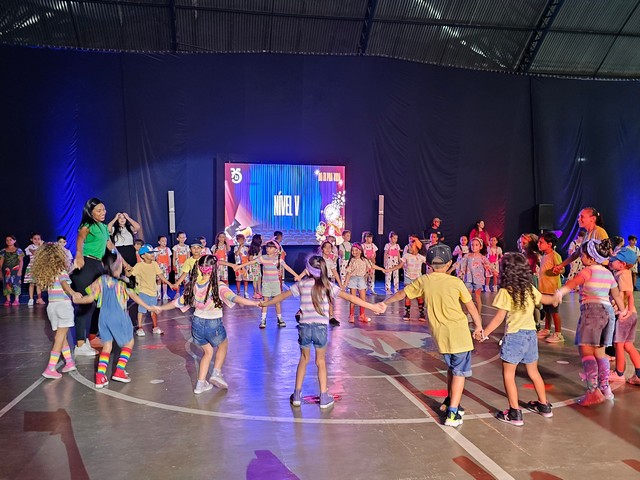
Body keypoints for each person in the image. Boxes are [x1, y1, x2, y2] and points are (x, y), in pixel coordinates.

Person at [261, 255, 386, 408]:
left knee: (304, 359)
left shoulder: (301, 284)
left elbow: (281, 296)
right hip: (320, 328)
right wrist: (373, 307)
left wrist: (265, 303)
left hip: (305, 327)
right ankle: (324, 396)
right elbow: (351, 298)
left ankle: (297, 395)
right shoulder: (328, 286)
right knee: (320, 362)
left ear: (308, 270)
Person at [385, 244, 483, 427]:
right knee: (460, 372)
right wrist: (478, 327)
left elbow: (402, 294)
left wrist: (385, 303)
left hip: (441, 336)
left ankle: (449, 401)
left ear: (428, 264)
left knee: (452, 369)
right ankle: (453, 413)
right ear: (449, 263)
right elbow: (471, 307)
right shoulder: (456, 282)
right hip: (459, 334)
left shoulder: (424, 280)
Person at [158, 255, 260, 393]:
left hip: (196, 324)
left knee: (208, 351)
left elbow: (177, 303)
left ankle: (200, 385)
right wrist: (254, 303)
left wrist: (160, 307)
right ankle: (216, 373)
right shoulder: (219, 285)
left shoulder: (193, 285)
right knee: (223, 345)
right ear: (215, 268)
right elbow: (234, 298)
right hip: (213, 323)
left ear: (200, 268)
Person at [475, 253, 556, 426]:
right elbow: (545, 299)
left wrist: (484, 333)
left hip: (514, 337)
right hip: (530, 335)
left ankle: (514, 413)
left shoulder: (506, 292)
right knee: (533, 372)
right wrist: (555, 298)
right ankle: (544, 405)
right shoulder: (529, 289)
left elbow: (499, 318)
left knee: (508, 375)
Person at [554, 239, 627, 405]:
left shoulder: (587, 271)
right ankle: (605, 388)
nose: (581, 257)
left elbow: (573, 283)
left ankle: (593, 391)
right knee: (600, 353)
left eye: (583, 255)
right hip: (608, 313)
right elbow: (616, 295)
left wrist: (560, 292)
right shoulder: (608, 273)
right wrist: (622, 311)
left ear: (591, 258)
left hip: (592, 312)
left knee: (586, 351)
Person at [73, 251, 159, 388]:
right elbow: (135, 296)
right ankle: (119, 370)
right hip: (119, 316)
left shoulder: (101, 280)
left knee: (107, 346)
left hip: (103, 317)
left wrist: (77, 300)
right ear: (118, 267)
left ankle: (100, 376)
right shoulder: (123, 282)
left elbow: (89, 298)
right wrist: (149, 306)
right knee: (129, 342)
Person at [70, 198, 117, 356]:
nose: (103, 213)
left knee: (100, 304)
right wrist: (79, 255)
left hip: (98, 266)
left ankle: (91, 337)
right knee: (86, 305)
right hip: (86, 264)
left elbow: (110, 246)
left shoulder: (103, 227)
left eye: (104, 209)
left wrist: (123, 263)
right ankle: (80, 345)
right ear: (90, 212)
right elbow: (80, 240)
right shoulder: (87, 225)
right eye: (99, 210)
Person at [31, 243, 81, 378]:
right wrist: (73, 293)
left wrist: (72, 269)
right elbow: (64, 283)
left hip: (52, 307)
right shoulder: (61, 270)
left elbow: (61, 278)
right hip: (63, 306)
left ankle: (69, 362)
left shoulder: (49, 273)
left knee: (61, 336)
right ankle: (50, 368)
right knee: (60, 337)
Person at [243, 239, 299, 328]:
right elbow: (252, 262)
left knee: (277, 302)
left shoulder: (278, 259)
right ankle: (263, 319)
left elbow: (287, 267)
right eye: (267, 247)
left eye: (270, 248)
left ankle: (280, 319)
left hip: (275, 284)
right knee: (265, 302)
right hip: (266, 284)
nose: (268, 249)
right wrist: (240, 266)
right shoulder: (263, 258)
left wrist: (297, 275)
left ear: (276, 249)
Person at [607, 247, 640, 385]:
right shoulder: (621, 273)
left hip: (624, 315)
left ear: (623, 264)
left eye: (614, 260)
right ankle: (639, 374)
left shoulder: (623, 275)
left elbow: (629, 295)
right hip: (629, 314)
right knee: (628, 345)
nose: (611, 262)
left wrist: (627, 312)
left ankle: (619, 373)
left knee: (618, 344)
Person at [132, 244, 174, 336]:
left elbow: (160, 275)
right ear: (143, 256)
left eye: (153, 252)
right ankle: (140, 328)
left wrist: (169, 283)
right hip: (143, 291)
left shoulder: (154, 264)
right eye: (150, 252)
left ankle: (155, 327)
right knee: (141, 311)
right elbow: (131, 274)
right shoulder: (139, 265)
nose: (152, 254)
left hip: (153, 292)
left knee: (154, 310)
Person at [553, 207, 608, 275]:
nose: (578, 219)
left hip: (598, 273)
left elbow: (606, 256)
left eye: (582, 217)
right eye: (579, 217)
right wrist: (560, 266)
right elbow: (576, 254)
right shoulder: (587, 234)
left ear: (593, 219)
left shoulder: (599, 232)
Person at [343, 243, 386, 323]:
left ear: (360, 251)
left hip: (361, 279)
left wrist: (382, 269)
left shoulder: (364, 260)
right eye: (352, 250)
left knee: (363, 299)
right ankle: (351, 315)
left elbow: (372, 266)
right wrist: (345, 284)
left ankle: (362, 315)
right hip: (353, 279)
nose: (354, 252)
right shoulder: (352, 260)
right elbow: (348, 273)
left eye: (356, 250)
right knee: (353, 299)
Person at [388, 235, 426, 321]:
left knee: (419, 296)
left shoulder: (421, 257)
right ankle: (407, 313)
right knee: (408, 296)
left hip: (417, 279)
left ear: (416, 247)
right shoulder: (406, 256)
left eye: (411, 246)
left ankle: (421, 313)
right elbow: (399, 266)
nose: (409, 247)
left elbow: (429, 264)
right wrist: (389, 270)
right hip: (408, 278)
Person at [537, 232, 564, 343]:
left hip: (553, 290)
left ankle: (558, 333)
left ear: (549, 244)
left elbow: (562, 269)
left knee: (554, 312)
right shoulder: (544, 256)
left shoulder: (555, 255)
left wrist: (558, 270)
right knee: (547, 311)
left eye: (541, 242)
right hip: (545, 289)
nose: (538, 244)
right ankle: (547, 329)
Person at [459, 238, 492, 316]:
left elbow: (489, 266)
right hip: (468, 279)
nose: (474, 247)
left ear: (480, 246)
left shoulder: (482, 257)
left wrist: (493, 271)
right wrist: (454, 271)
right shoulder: (467, 256)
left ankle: (478, 314)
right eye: (472, 245)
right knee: (467, 297)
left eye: (476, 245)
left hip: (478, 280)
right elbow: (460, 264)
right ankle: (468, 314)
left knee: (477, 297)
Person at [0, 235, 24, 305]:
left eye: (10, 240)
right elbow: (1, 263)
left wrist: (20, 270)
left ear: (14, 241)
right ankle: (8, 300)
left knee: (16, 283)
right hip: (6, 271)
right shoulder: (3, 251)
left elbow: (21, 261)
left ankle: (16, 300)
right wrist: (0, 272)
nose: (9, 241)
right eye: (7, 240)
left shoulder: (18, 250)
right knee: (6, 284)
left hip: (16, 270)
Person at [24, 232, 45, 306]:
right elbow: (34, 252)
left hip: (40, 267)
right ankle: (31, 299)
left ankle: (39, 298)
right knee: (32, 283)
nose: (37, 240)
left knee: (39, 284)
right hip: (32, 267)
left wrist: (42, 246)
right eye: (35, 239)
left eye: (38, 239)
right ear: (31, 239)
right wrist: (41, 246)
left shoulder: (43, 247)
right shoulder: (30, 247)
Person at [155, 235, 172, 300]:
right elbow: (154, 258)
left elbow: (169, 258)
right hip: (158, 267)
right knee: (158, 280)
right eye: (162, 241)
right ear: (159, 242)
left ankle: (165, 294)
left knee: (165, 280)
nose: (164, 242)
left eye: (165, 241)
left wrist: (169, 266)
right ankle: (159, 294)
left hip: (165, 267)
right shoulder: (156, 249)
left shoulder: (168, 249)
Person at [234, 233, 250, 298]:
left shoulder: (246, 248)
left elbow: (248, 256)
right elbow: (237, 254)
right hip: (238, 266)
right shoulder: (236, 247)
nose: (241, 241)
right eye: (240, 240)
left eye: (242, 239)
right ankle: (238, 292)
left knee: (245, 279)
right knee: (238, 279)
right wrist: (240, 247)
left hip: (245, 266)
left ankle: (246, 292)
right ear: (237, 240)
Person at [247, 234, 263, 299]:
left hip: (258, 265)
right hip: (254, 266)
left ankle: (259, 291)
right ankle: (255, 292)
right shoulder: (252, 248)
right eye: (261, 238)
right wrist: (257, 259)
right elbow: (250, 258)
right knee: (255, 279)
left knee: (259, 278)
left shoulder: (260, 248)